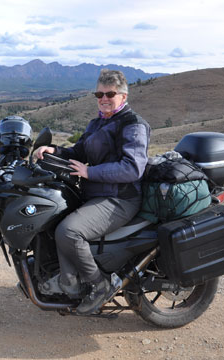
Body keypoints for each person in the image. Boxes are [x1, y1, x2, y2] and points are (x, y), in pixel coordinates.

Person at [36, 69, 150, 315]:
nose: (104, 98)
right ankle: (69, 282)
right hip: (97, 193)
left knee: (69, 231)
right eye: (99, 93)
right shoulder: (98, 122)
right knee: (52, 219)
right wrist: (53, 150)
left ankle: (100, 285)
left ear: (123, 95)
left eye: (110, 93)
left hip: (120, 198)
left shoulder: (133, 125)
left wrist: (91, 173)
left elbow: (133, 168)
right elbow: (79, 152)